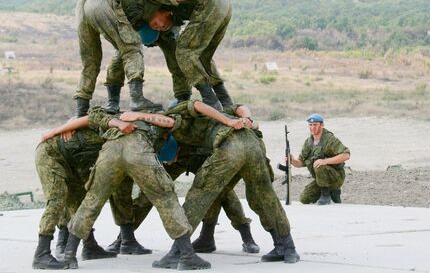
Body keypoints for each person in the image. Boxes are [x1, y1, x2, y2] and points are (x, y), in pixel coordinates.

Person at [120, 100, 300, 266]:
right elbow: (240, 106)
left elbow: (170, 120)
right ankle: (286, 246)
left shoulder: (180, 114)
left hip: (230, 146)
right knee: (265, 196)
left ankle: (178, 252)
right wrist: (246, 118)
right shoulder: (217, 110)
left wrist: (136, 116)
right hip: (253, 144)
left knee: (199, 195)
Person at [51, 107, 209, 270]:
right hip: (138, 148)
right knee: (165, 199)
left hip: (110, 150)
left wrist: (63, 127)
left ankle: (69, 256)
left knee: (92, 200)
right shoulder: (156, 121)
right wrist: (143, 116)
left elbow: (90, 117)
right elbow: (170, 122)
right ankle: (187, 255)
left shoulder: (117, 116)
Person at [93, 0, 235, 110]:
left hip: (211, 0)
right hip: (223, 2)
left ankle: (209, 100)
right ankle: (224, 100)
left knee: (184, 52)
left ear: (165, 12)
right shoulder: (156, 14)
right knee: (202, 55)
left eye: (157, 25)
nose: (160, 28)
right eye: (157, 28)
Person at [32, 126, 135, 269]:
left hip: (71, 162)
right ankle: (41, 254)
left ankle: (90, 246)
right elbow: (85, 118)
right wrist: (62, 129)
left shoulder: (115, 144)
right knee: (57, 200)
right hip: (50, 155)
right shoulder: (108, 133)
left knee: (78, 201)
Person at [72, 0, 164, 116]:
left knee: (90, 61)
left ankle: (82, 110)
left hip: (82, 5)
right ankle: (136, 99)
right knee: (132, 48)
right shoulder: (146, 1)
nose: (159, 26)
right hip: (101, 2)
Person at [288, 113, 350, 205]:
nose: (312, 127)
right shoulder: (308, 143)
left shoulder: (329, 139)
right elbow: (301, 162)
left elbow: (346, 155)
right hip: (321, 180)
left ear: (322, 125)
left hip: (335, 177)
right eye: (310, 125)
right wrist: (292, 160)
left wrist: (325, 161)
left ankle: (326, 195)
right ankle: (333, 192)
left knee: (319, 164)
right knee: (304, 199)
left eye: (315, 125)